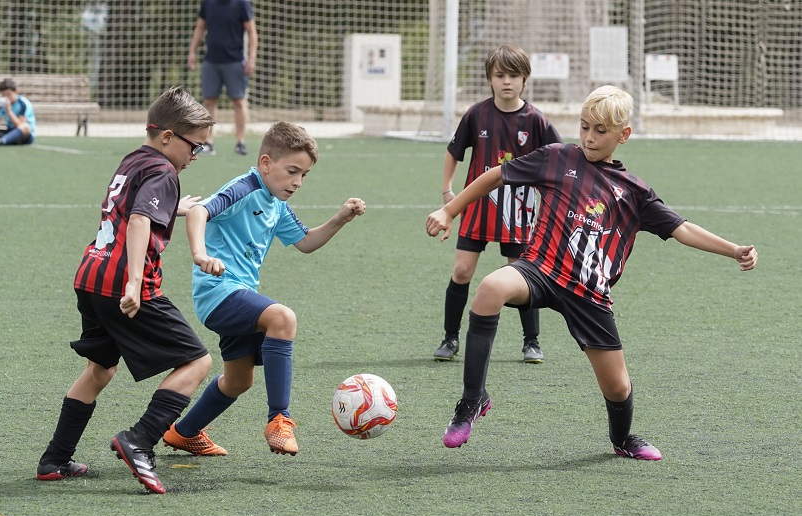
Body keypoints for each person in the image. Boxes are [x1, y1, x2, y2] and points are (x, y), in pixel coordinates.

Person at [426, 85, 758, 459]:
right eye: (584, 127)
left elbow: (682, 228)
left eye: (600, 131)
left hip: (588, 293)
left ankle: (623, 439)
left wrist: (733, 250)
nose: (589, 137)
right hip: (538, 269)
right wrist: (449, 211)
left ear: (623, 135)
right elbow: (496, 176)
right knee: (490, 287)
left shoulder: (634, 191)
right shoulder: (555, 158)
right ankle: (472, 400)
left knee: (617, 388)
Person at [36, 86, 215, 494]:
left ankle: (54, 459)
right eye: (196, 147)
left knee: (100, 368)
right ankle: (141, 439)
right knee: (197, 362)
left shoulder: (135, 159)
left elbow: (132, 205)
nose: (195, 156)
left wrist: (174, 206)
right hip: (125, 285)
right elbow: (137, 219)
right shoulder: (164, 172)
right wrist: (134, 281)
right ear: (168, 136)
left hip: (91, 277)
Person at [160, 122, 366, 458]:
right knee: (282, 318)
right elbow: (198, 210)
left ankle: (184, 433)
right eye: (292, 171)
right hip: (218, 291)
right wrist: (200, 254)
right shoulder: (246, 188)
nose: (297, 182)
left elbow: (306, 242)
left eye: (304, 175)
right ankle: (279, 419)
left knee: (238, 381)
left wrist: (341, 218)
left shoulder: (277, 203)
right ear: (267, 163)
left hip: (237, 293)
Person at [434, 45, 562, 365]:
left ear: (525, 80)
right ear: (490, 79)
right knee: (462, 270)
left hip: (517, 210)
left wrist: (550, 201)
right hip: (478, 206)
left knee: (518, 276)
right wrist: (447, 190)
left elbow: (557, 160)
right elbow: (454, 151)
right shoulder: (477, 114)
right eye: (499, 75)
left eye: (513, 75)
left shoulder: (535, 120)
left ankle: (531, 342)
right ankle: (450, 338)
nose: (507, 82)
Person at [188, 0, 257, 156]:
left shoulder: (242, 4)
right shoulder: (208, 3)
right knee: (209, 101)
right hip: (211, 61)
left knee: (239, 101)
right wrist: (192, 51)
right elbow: (200, 27)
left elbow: (252, 32)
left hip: (235, 61)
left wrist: (251, 59)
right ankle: (208, 142)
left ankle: (240, 142)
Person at [0, 78, 35, 146]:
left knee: (25, 126)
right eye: (3, 95)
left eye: (8, 94)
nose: (6, 97)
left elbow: (20, 125)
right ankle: (4, 139)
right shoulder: (3, 103)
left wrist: (9, 111)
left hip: (24, 135)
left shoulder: (23, 103)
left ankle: (1, 141)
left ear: (16, 92)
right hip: (9, 132)